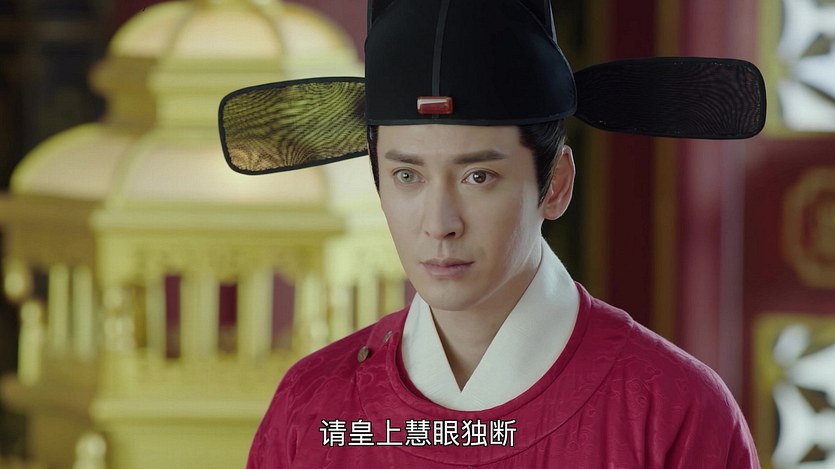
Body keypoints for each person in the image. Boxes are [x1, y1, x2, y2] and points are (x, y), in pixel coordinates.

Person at [218, 0, 766, 467]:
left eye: (478, 176)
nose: (439, 224)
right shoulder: (314, 410)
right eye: (407, 176)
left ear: (556, 184)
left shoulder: (670, 410)